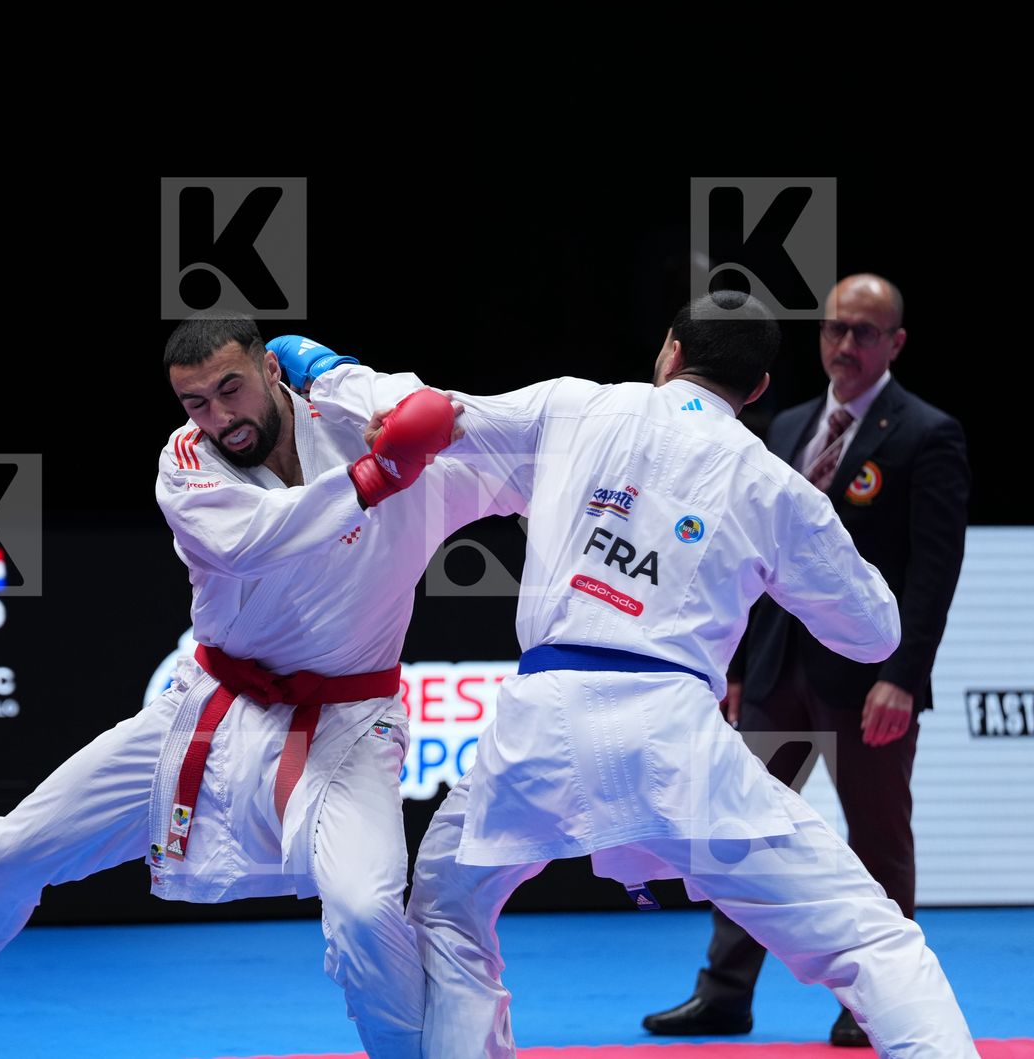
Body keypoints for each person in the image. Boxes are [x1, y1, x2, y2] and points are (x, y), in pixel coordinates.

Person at [0, 313, 516, 1058]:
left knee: (364, 907)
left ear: (270, 370)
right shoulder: (186, 462)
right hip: (208, 711)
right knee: (12, 848)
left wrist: (338, 368)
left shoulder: (351, 417)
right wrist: (376, 475)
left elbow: (445, 416)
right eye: (196, 401)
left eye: (230, 389)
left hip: (350, 726)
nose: (220, 416)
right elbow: (258, 539)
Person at [315, 292, 973, 1057]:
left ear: (668, 349)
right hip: (675, 743)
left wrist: (322, 372)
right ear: (758, 390)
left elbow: (433, 413)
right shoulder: (770, 480)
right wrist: (785, 554)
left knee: (447, 909)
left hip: (539, 728)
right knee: (871, 936)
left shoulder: (573, 407)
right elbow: (874, 633)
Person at [643, 274, 971, 1047]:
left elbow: (933, 573)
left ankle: (872, 1009)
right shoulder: (785, 422)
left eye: (863, 332)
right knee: (739, 832)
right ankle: (724, 992)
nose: (844, 345)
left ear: (895, 343)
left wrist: (903, 675)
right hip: (772, 671)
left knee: (877, 839)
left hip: (866, 683)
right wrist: (733, 665)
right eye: (833, 329)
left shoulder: (927, 433)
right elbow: (752, 554)